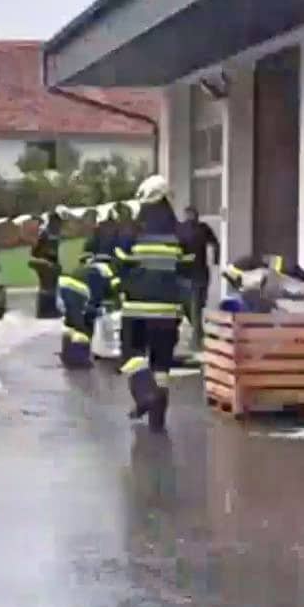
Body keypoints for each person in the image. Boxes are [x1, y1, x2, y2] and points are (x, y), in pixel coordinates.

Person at [116, 175, 193, 432]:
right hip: (169, 311)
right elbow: (189, 271)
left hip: (136, 308)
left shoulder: (132, 231)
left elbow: (120, 265)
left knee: (132, 354)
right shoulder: (182, 233)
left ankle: (146, 395)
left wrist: (122, 288)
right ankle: (157, 420)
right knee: (161, 365)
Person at [179, 206, 220, 346]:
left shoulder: (181, 229)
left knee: (192, 306)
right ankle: (198, 335)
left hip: (187, 273)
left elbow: (174, 247)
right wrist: (216, 260)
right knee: (197, 305)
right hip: (200, 272)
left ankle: (197, 338)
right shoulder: (203, 228)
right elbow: (215, 243)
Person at [29, 211, 63, 319]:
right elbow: (34, 252)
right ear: (52, 222)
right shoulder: (44, 234)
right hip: (44, 263)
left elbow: (54, 252)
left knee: (53, 285)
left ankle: (51, 308)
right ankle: (43, 310)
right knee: (46, 286)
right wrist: (44, 262)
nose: (59, 225)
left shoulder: (54, 233)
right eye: (57, 223)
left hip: (52, 263)